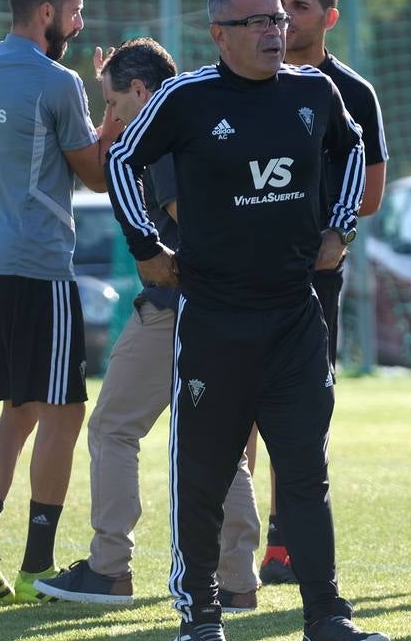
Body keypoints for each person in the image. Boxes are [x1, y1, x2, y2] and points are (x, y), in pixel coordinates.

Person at [106, 0, 389, 641]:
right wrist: (148, 247)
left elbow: (352, 148)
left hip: (295, 318)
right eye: (259, 22)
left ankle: (326, 621)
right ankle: (200, 624)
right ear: (219, 34)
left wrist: (339, 226)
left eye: (279, 21)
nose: (276, 32)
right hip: (214, 321)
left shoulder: (313, 92)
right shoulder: (186, 98)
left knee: (305, 474)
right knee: (202, 477)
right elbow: (120, 160)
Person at [36, 38, 262, 611]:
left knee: (113, 429)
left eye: (114, 104)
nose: (110, 120)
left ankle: (109, 568)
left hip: (179, 308)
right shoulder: (206, 113)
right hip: (237, 307)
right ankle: (237, 581)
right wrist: (111, 91)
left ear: (142, 92)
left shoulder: (162, 136)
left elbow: (194, 219)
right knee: (224, 445)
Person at [0, 0, 113, 605]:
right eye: (74, 11)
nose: (77, 24)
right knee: (66, 413)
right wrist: (117, 108)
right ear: (46, 12)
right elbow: (97, 173)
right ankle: (36, 566)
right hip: (37, 265)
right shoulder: (57, 81)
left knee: (17, 411)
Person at [257, 0, 390, 587]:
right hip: (240, 275)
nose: (285, 19)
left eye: (299, 7)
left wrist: (323, 226)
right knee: (234, 412)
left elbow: (369, 195)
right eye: (279, 5)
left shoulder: (352, 93)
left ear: (329, 17)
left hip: (314, 279)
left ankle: (285, 544)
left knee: (301, 411)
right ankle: (236, 542)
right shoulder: (245, 82)